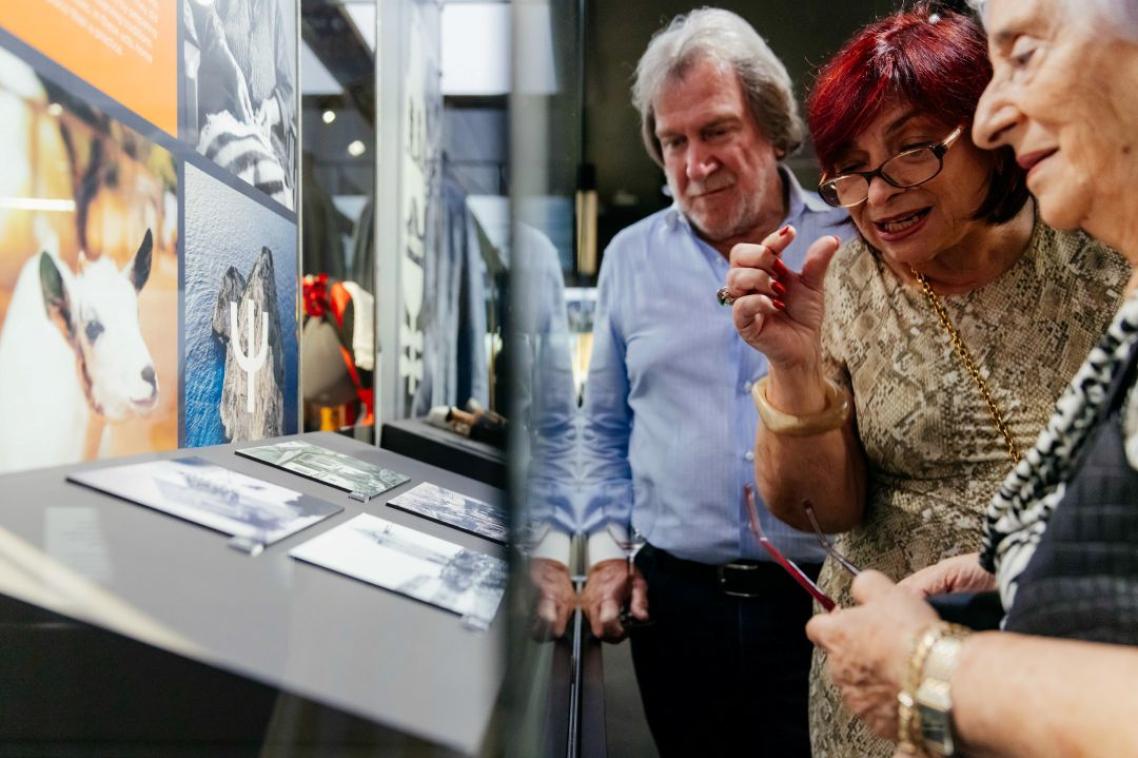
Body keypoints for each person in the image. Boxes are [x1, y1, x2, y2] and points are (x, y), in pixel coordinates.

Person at [721, 5, 1130, 756]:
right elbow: (819, 506)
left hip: (1076, 672)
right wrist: (793, 364)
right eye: (851, 170)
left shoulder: (1100, 235)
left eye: (913, 151)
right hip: (890, 682)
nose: (879, 195)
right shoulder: (841, 285)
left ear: (985, 134)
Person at [544, 8, 847, 755]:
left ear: (773, 128)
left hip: (822, 599)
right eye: (673, 141)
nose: (693, 163)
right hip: (675, 606)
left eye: (715, 130)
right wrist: (609, 551)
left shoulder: (847, 248)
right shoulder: (630, 257)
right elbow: (603, 427)